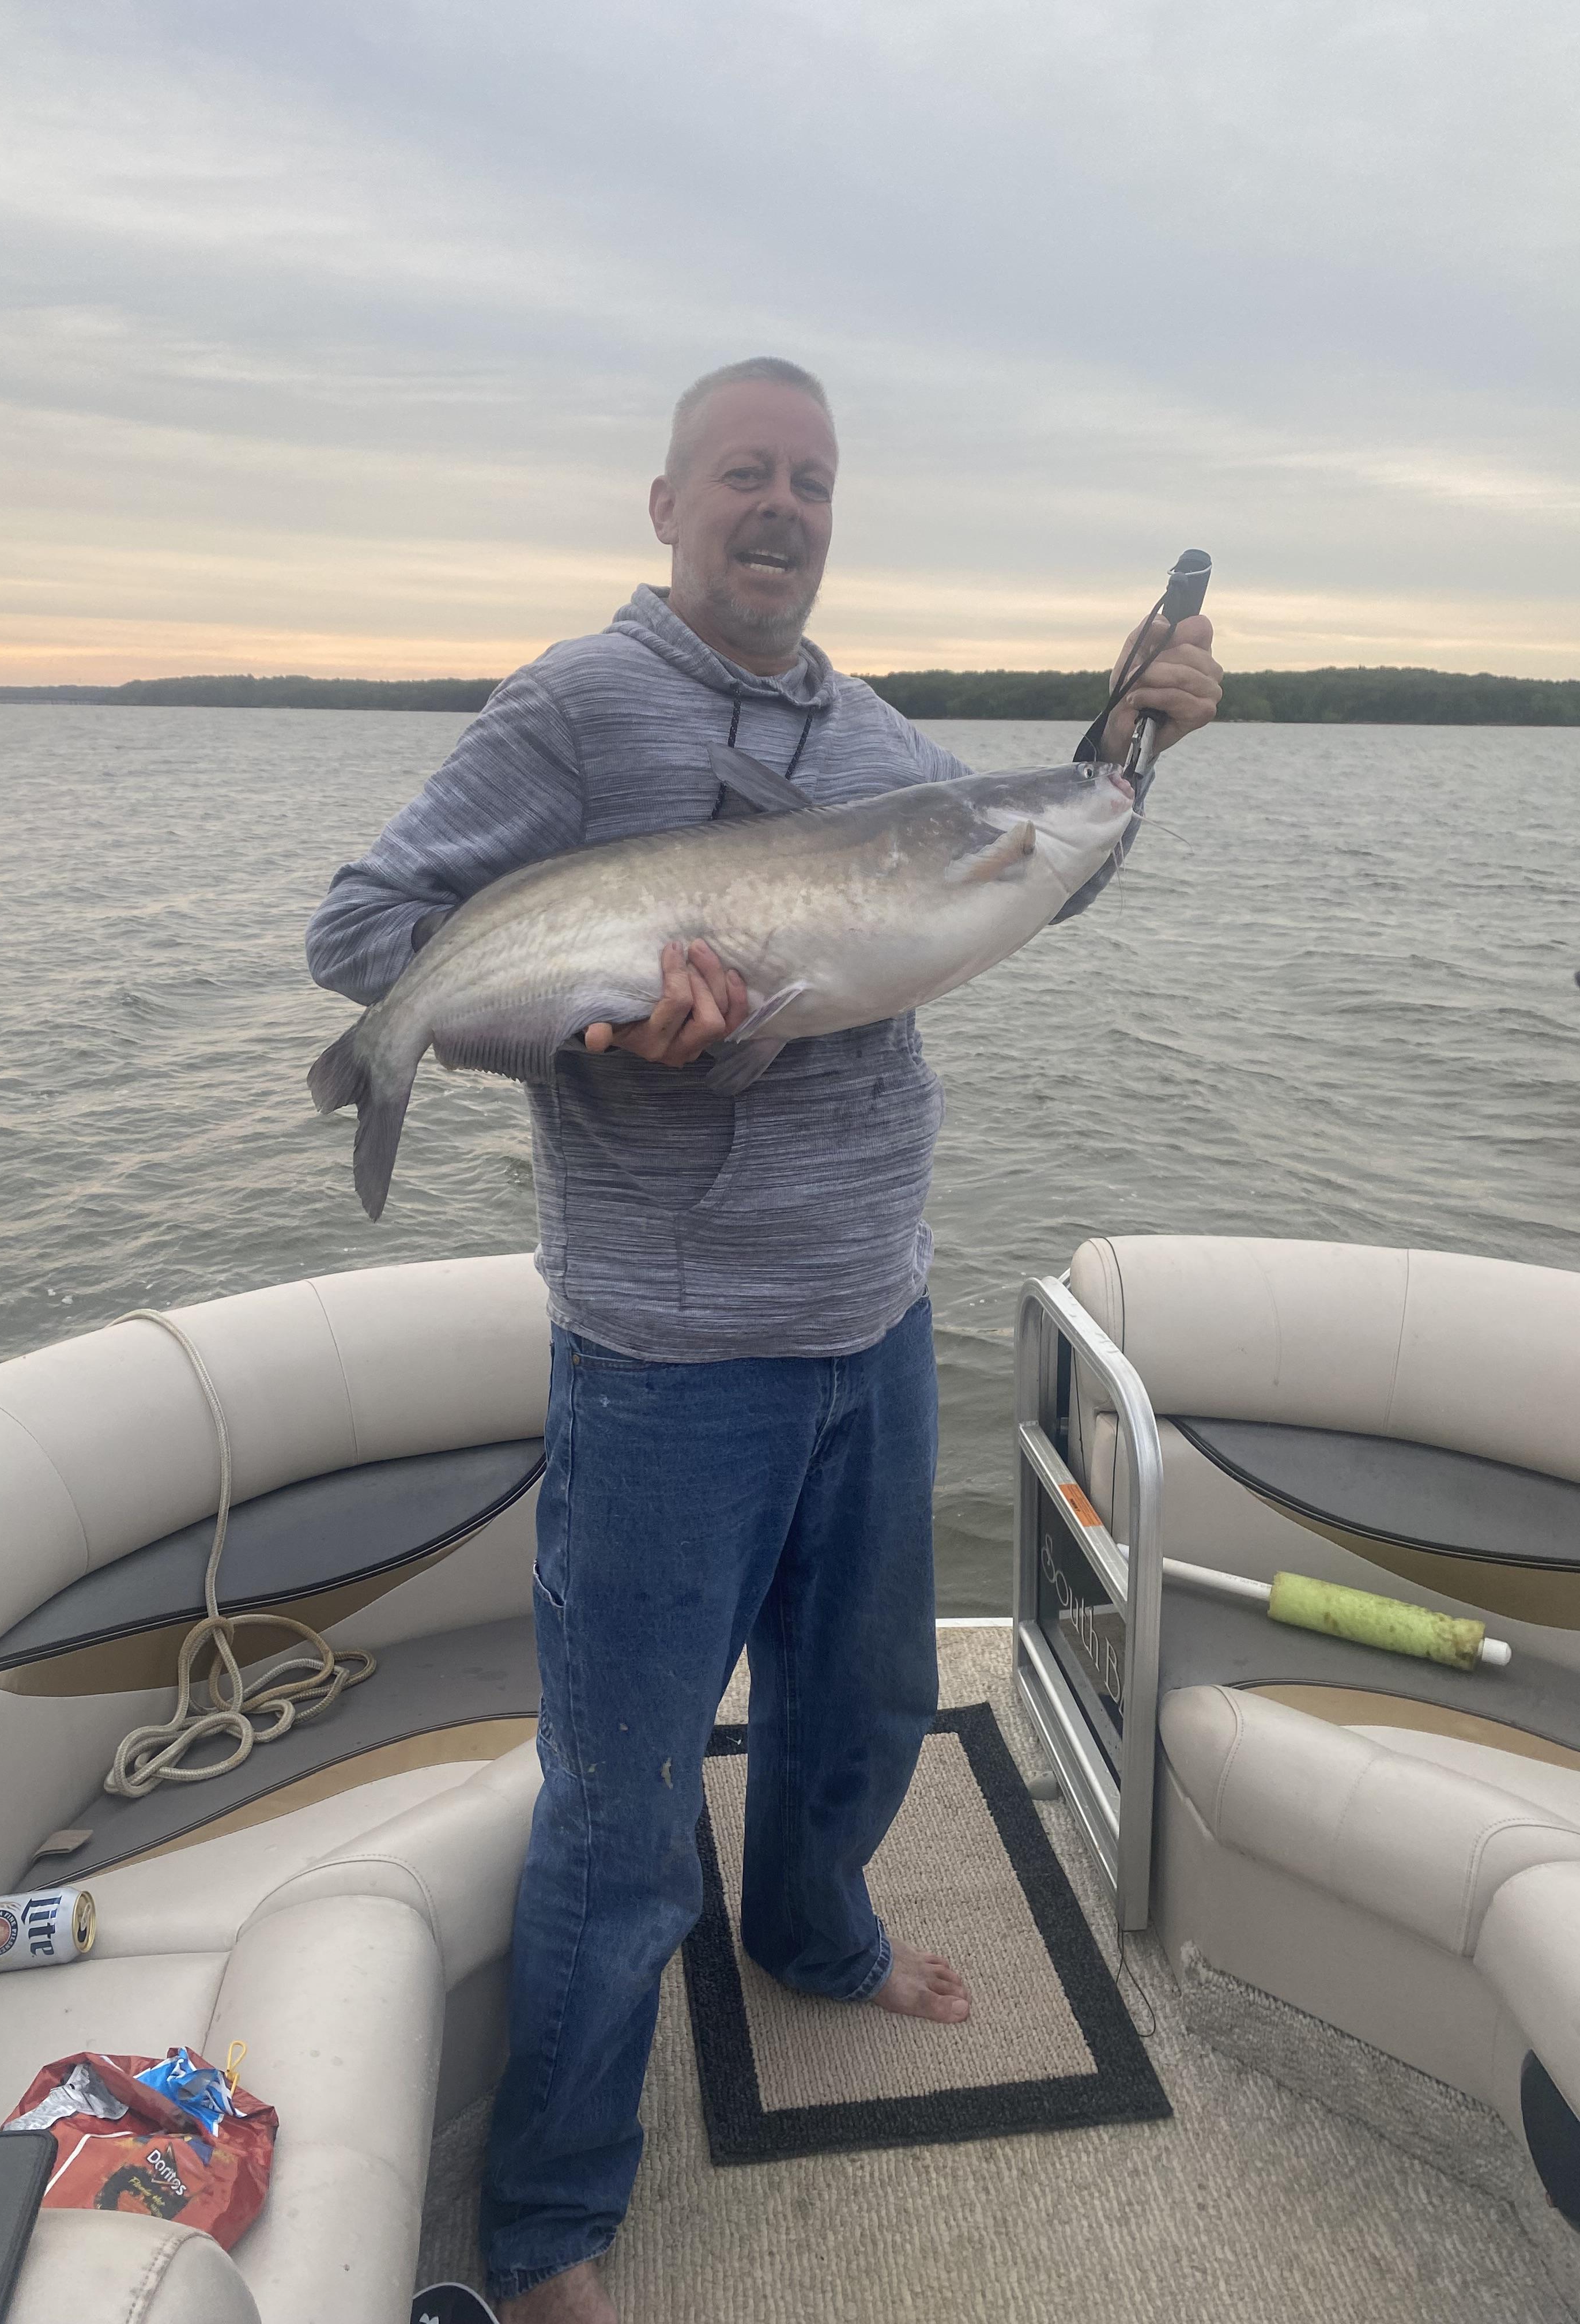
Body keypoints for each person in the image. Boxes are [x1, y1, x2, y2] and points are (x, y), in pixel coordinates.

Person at [306, 356, 1223, 2322]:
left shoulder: (873, 735)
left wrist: (1129, 753)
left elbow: (1006, 889)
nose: (781, 507)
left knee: (859, 1710)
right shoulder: (576, 707)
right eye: (745, 471)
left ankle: (814, 1938)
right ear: (666, 503)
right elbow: (367, 932)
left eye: (811, 479)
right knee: (626, 1800)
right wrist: (595, 1026)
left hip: (872, 1314)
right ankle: (549, 2225)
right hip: (668, 1361)